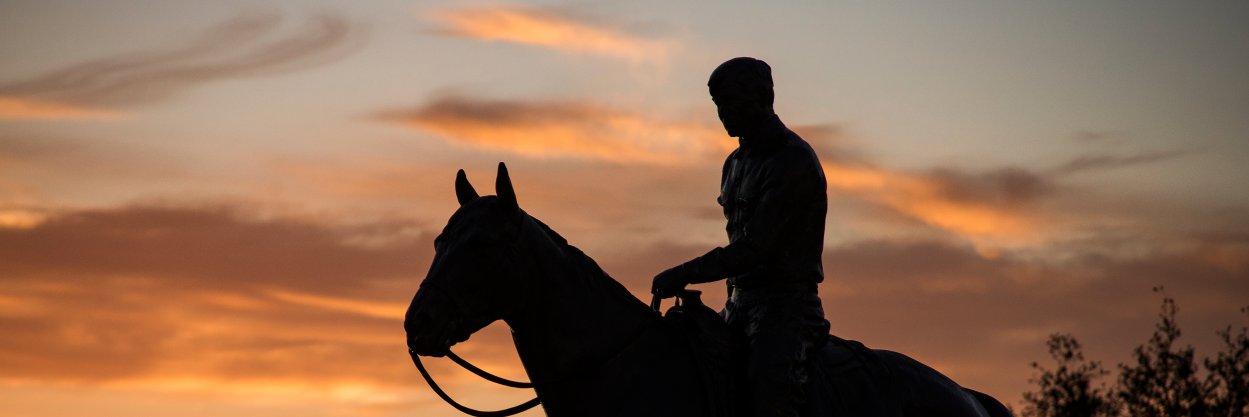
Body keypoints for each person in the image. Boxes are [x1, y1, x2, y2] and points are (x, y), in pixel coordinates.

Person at [651, 57, 831, 417]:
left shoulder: (792, 160)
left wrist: (685, 272)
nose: (722, 113)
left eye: (731, 102)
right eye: (718, 104)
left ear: (762, 98)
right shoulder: (733, 165)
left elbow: (756, 248)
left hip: (786, 309)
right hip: (737, 305)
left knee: (769, 390)